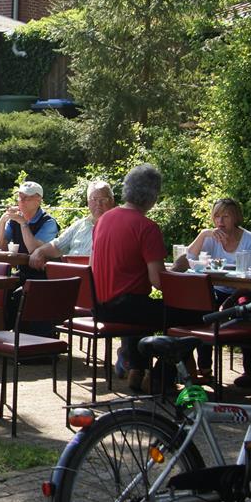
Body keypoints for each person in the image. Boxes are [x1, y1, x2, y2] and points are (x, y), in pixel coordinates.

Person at [90, 164, 169, 393]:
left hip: (101, 307)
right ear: (153, 197)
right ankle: (161, 375)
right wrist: (181, 266)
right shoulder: (147, 227)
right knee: (189, 315)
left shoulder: (103, 220)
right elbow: (159, 282)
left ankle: (137, 369)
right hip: (128, 307)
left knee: (142, 305)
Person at [174, 197, 251, 387]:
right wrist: (204, 234)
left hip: (243, 290)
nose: (220, 222)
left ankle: (250, 372)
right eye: (216, 217)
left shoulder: (250, 240)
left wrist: (231, 299)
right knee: (204, 309)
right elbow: (187, 259)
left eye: (225, 216)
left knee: (244, 307)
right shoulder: (212, 238)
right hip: (216, 290)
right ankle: (204, 370)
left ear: (236, 218)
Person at [28, 180, 116, 267]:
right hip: (72, 277)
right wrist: (39, 251)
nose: (98, 204)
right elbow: (57, 246)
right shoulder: (80, 225)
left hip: (99, 277)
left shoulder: (118, 227)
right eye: (94, 199)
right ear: (88, 202)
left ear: (112, 201)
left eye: (103, 199)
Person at [0, 180, 59, 280]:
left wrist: (23, 223)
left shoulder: (48, 222)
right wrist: (2, 220)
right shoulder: (14, 220)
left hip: (43, 276)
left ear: (38, 200)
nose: (21, 200)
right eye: (20, 196)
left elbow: (34, 250)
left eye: (26, 197)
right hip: (22, 273)